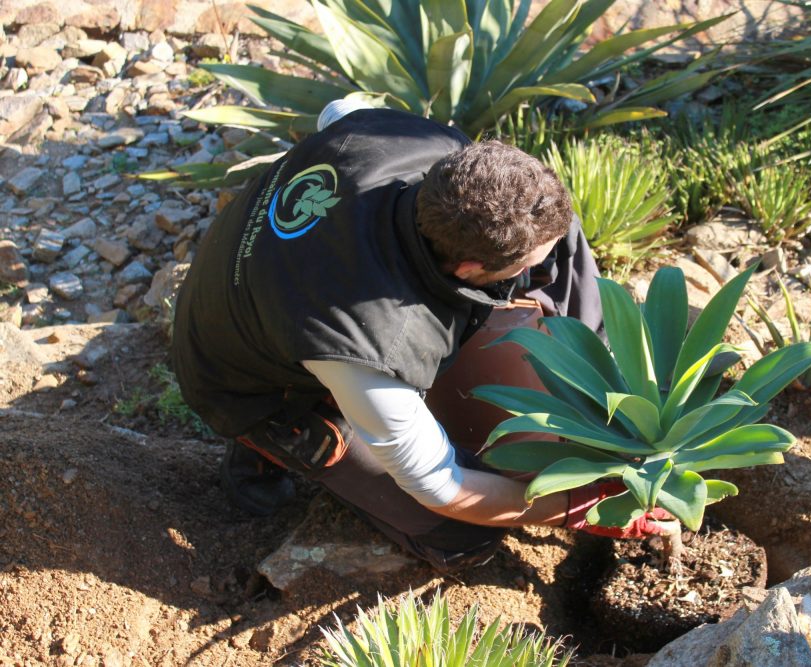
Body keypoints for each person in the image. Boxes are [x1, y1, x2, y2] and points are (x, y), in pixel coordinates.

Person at [171, 102, 666, 571]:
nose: (546, 265)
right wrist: (569, 508)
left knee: (550, 244)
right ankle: (261, 447)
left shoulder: (409, 142)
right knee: (462, 534)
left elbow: (337, 112)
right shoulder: (368, 348)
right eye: (528, 264)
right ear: (471, 267)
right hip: (247, 376)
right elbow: (442, 485)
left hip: (276, 281)